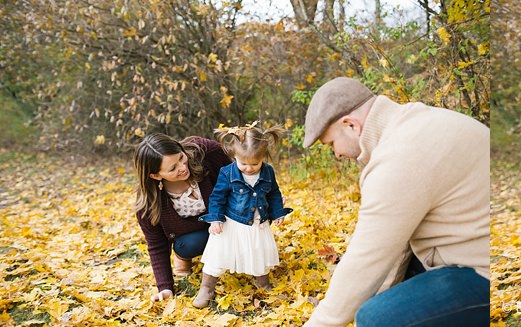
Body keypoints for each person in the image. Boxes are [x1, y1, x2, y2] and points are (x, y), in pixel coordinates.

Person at [301, 77, 490, 326]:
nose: (337, 153)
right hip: (478, 247)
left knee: (376, 318)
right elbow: (394, 244)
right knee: (382, 297)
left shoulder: (399, 158)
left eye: (331, 144)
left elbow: (366, 258)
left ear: (350, 125)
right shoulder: (414, 123)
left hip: (481, 272)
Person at [192, 124, 292, 308]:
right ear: (234, 156)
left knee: (258, 251)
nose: (248, 168)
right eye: (243, 163)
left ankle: (263, 283)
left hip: (257, 222)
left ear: (263, 157)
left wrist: (278, 212)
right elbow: (217, 197)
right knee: (219, 254)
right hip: (231, 222)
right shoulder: (227, 172)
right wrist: (215, 218)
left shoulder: (268, 171)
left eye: (255, 164)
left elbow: (274, 193)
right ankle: (207, 287)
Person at [134, 133, 232, 302]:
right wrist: (165, 287)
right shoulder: (148, 206)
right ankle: (183, 259)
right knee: (188, 245)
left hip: (225, 220)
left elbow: (238, 170)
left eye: (180, 157)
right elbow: (157, 245)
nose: (182, 167)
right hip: (193, 236)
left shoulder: (205, 153)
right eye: (172, 168)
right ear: (156, 175)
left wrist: (266, 194)